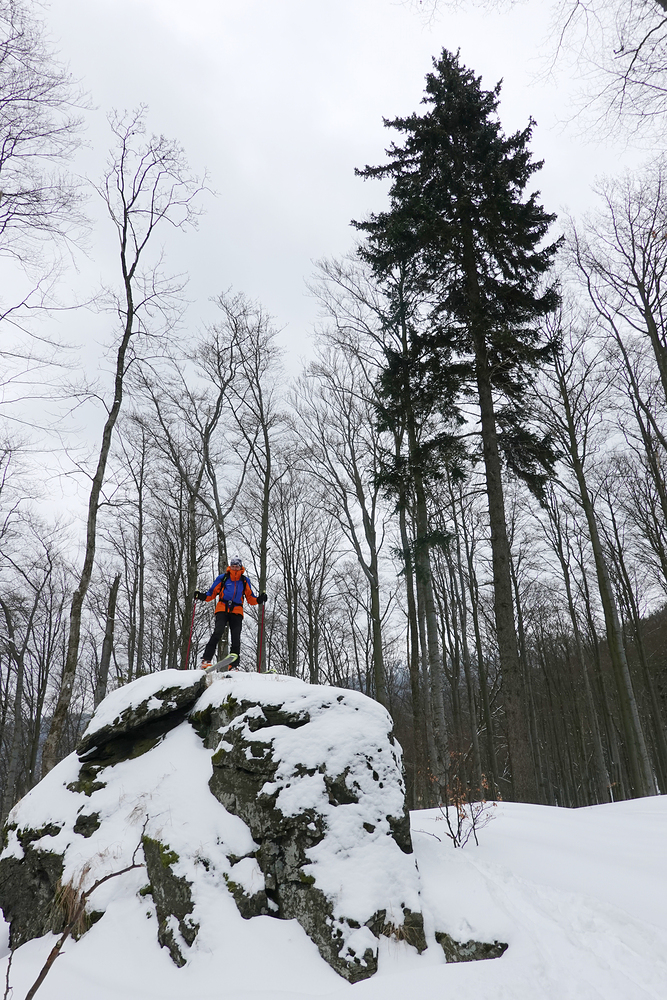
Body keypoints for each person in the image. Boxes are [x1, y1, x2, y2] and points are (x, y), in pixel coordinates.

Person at [194, 556, 267, 670]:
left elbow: (250, 598)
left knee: (236, 637)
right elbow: (212, 593)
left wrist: (259, 599)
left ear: (240, 567)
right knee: (218, 631)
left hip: (237, 610)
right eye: (233, 566)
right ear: (230, 566)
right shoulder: (223, 578)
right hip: (222, 608)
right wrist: (202, 596)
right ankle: (206, 659)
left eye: (237, 566)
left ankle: (233, 665)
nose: (234, 568)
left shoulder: (244, 580)